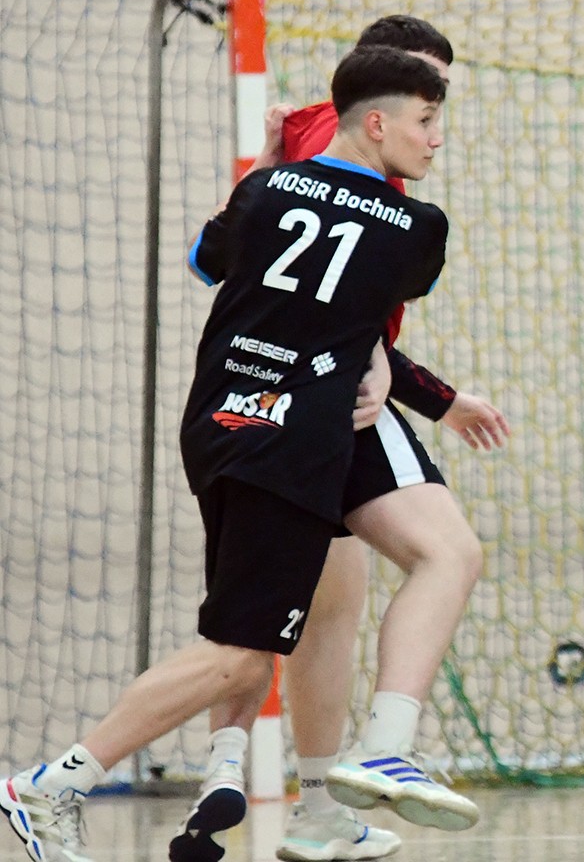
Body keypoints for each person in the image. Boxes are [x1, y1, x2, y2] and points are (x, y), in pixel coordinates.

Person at [0, 47, 475, 862]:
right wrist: (397, 372)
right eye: (428, 121)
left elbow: (207, 260)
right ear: (377, 122)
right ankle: (52, 782)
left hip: (224, 423)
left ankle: (305, 773)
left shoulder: (264, 190)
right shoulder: (417, 226)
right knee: (239, 655)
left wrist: (263, 167)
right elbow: (379, 302)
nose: (436, 139)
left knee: (424, 563)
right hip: (288, 441)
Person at [166, 16, 509, 862]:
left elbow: (220, 258)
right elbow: (334, 308)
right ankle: (69, 773)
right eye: (424, 101)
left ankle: (265, 781)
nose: (435, 118)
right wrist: (423, 390)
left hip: (248, 405)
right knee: (435, 559)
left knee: (304, 611)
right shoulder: (356, 161)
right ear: (376, 103)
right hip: (327, 403)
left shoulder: (308, 140)